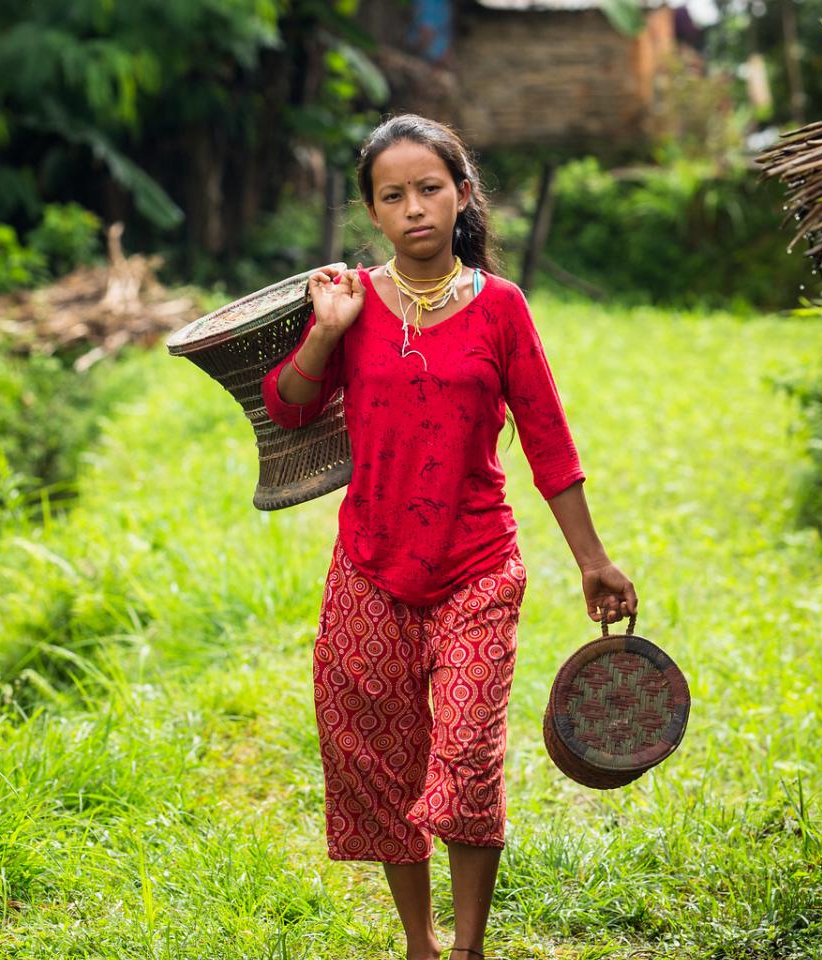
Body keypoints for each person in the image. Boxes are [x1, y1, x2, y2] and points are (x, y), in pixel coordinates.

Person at [260, 114, 638, 960]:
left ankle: (467, 949)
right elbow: (286, 408)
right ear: (373, 212)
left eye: (430, 188)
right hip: (369, 566)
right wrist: (324, 329)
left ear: (462, 195)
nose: (414, 208)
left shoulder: (501, 309)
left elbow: (549, 440)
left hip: (475, 566)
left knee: (465, 759)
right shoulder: (349, 302)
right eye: (392, 196)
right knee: (384, 761)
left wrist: (592, 560)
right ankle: (419, 946)